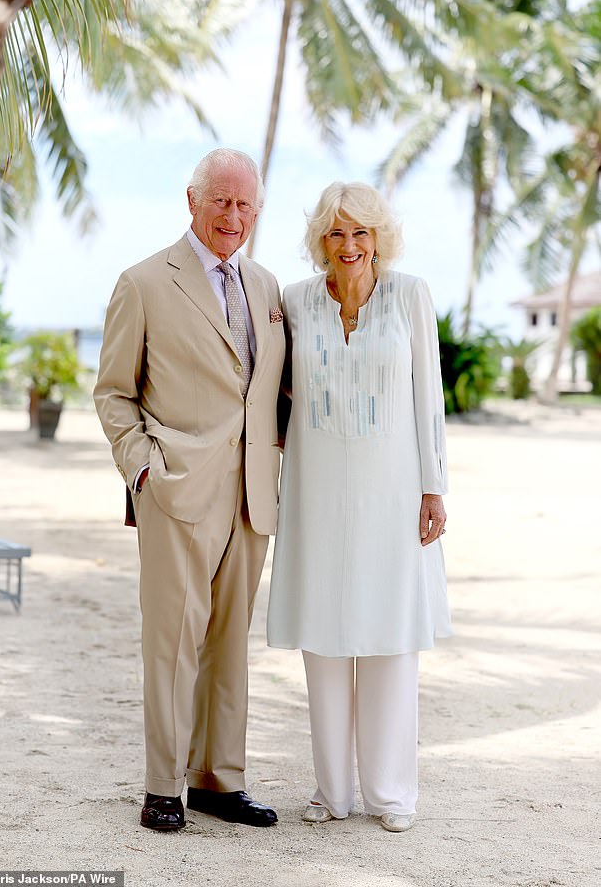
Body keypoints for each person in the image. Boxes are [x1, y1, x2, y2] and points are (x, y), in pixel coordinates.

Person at [94, 148, 285, 831]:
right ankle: (162, 787)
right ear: (192, 200)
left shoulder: (267, 287)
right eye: (221, 201)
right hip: (175, 490)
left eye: (245, 204)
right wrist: (143, 469)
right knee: (172, 642)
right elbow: (113, 393)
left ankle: (216, 780)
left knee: (230, 641)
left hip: (251, 495)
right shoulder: (144, 282)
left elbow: (271, 391)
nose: (234, 216)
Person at [267, 181, 452, 833]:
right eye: (338, 233)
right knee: (323, 642)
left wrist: (435, 487)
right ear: (322, 240)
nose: (350, 246)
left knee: (390, 641)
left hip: (393, 494)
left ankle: (392, 794)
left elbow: (428, 397)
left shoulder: (410, 296)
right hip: (315, 494)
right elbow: (268, 390)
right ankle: (333, 792)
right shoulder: (292, 302)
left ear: (380, 239)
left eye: (362, 233)